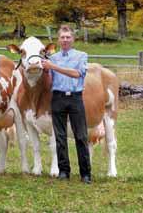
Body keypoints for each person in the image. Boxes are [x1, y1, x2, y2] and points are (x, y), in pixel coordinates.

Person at [42, 25, 92, 184]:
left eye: (68, 37)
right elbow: (49, 79)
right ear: (58, 40)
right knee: (60, 136)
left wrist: (53, 66)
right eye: (62, 37)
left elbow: (77, 74)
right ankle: (64, 171)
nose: (65, 40)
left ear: (73, 39)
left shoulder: (81, 56)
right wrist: (44, 69)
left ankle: (85, 173)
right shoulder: (52, 57)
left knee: (81, 136)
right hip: (58, 98)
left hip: (75, 98)